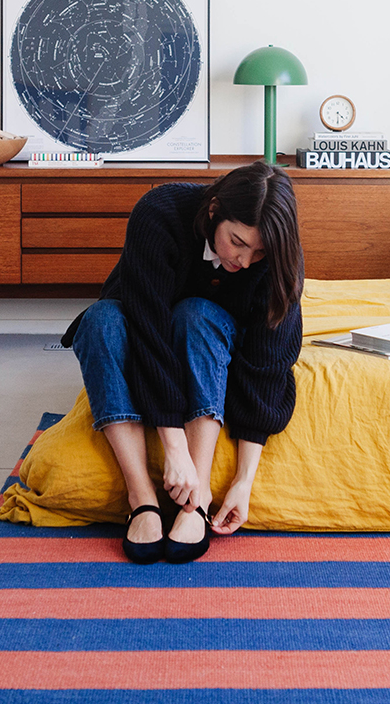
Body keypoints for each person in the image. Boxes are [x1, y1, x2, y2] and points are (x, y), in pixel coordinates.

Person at [62, 160, 304, 564]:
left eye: (258, 252)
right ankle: (142, 500)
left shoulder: (278, 259)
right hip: (142, 320)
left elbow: (268, 365)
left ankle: (197, 498)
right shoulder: (160, 212)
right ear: (214, 211)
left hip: (208, 333)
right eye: (237, 242)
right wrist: (173, 448)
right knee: (99, 320)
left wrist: (243, 482)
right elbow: (147, 329)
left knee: (196, 312)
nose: (244, 262)